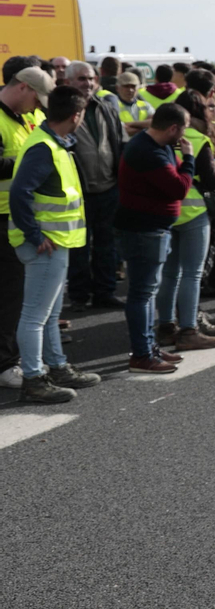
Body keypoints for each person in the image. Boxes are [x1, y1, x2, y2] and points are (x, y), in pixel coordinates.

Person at [9, 86, 101, 403]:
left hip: (53, 242)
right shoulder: (44, 147)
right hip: (44, 244)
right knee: (36, 316)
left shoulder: (51, 142)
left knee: (47, 314)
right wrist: (35, 235)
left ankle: (56, 366)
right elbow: (18, 194)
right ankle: (34, 380)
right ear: (76, 115)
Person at [113, 102, 198, 372]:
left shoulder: (158, 146)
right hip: (143, 230)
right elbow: (178, 187)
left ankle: (149, 348)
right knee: (142, 293)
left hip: (152, 228)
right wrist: (190, 159)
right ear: (173, 128)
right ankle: (141, 355)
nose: (186, 133)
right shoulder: (146, 150)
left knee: (147, 293)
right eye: (184, 127)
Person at [155, 87, 215, 349]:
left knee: (169, 273)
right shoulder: (198, 140)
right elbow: (211, 181)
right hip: (194, 213)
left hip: (166, 211)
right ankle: (188, 330)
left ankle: (166, 327)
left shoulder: (161, 136)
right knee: (192, 274)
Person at [0, 66, 55, 388]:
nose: (38, 106)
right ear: (22, 87)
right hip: (2, 218)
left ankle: (12, 358)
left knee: (15, 292)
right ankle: (7, 365)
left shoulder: (25, 117)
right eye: (36, 98)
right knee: (10, 293)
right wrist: (28, 162)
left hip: (16, 217)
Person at [63, 61, 125, 310]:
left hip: (108, 189)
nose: (87, 84)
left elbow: (117, 141)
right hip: (79, 192)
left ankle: (104, 292)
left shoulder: (107, 107)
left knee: (106, 244)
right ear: (68, 82)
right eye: (81, 79)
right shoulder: (61, 110)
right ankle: (79, 295)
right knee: (79, 246)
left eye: (90, 78)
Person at [113, 72, 154, 136]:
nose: (130, 90)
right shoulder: (112, 106)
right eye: (126, 86)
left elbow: (154, 123)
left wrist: (130, 124)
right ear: (117, 88)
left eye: (133, 86)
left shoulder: (145, 105)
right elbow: (121, 130)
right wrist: (145, 127)